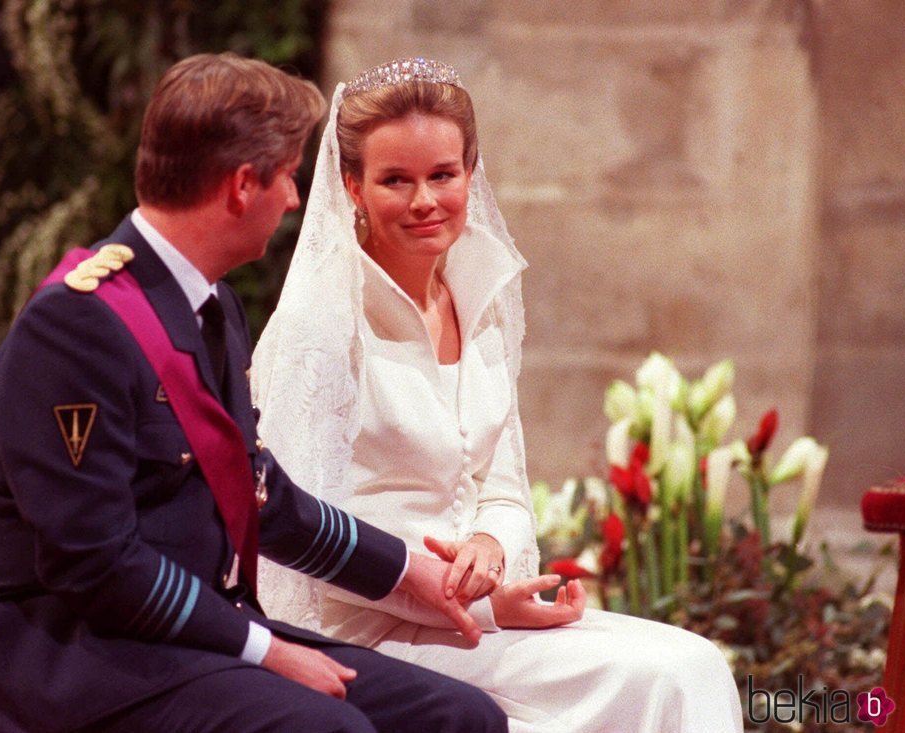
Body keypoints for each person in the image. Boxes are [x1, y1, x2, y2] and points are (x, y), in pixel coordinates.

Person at [0, 53, 509, 733]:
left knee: (461, 716)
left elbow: (260, 492)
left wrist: (409, 573)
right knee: (332, 729)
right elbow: (96, 564)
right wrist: (267, 649)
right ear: (243, 186)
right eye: (288, 177)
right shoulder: (74, 326)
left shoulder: (212, 305)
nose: (297, 199)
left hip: (189, 639)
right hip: (71, 659)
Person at [251, 58, 746, 733]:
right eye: (396, 179)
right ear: (352, 187)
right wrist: (463, 595)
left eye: (442, 175)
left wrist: (489, 543)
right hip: (369, 629)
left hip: (482, 615)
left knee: (694, 662)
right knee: (659, 677)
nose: (425, 200)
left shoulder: (482, 297)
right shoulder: (321, 321)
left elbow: (504, 485)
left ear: (470, 174)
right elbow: (291, 531)